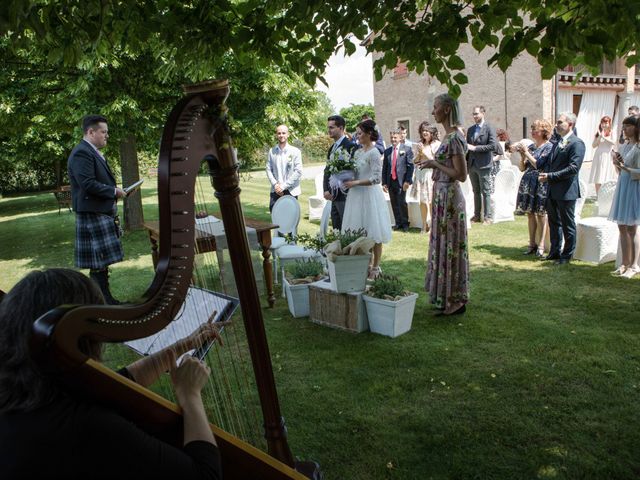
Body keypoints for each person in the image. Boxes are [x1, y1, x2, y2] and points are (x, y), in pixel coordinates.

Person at [0, 268, 223, 479]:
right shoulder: (87, 427)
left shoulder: (31, 398)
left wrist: (181, 346)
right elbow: (205, 475)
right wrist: (190, 394)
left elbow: (115, 384)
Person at [418, 94, 469, 316]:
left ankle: (455, 300)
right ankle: (445, 297)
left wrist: (434, 163)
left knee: (450, 248)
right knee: (443, 246)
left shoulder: (454, 138)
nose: (433, 112)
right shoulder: (450, 137)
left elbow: (461, 174)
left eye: (436, 107)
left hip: (449, 198)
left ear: (447, 109)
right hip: (442, 197)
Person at [68, 115, 126, 305]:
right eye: (103, 132)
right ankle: (102, 302)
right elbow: (87, 184)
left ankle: (102, 301)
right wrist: (113, 191)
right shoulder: (82, 153)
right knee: (98, 263)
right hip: (92, 214)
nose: (106, 136)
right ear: (90, 132)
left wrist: (115, 193)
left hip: (99, 212)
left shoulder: (91, 151)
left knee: (100, 264)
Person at [342, 119, 392, 279]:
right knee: (360, 231)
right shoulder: (357, 152)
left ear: (369, 134)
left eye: (360, 133)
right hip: (356, 196)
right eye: (356, 133)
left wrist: (355, 182)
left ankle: (376, 267)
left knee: (374, 232)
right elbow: (355, 172)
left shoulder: (374, 152)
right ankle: (365, 264)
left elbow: (376, 178)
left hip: (370, 196)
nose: (357, 136)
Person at [539, 112, 586, 265]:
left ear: (570, 124)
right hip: (552, 190)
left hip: (566, 190)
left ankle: (567, 255)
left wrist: (550, 176)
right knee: (554, 222)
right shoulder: (557, 142)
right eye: (557, 122)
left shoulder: (576, 143)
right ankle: (554, 251)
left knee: (567, 224)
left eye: (560, 122)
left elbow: (573, 168)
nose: (556, 125)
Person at [515, 120, 554, 257]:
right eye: (532, 129)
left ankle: (542, 245)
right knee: (530, 214)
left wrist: (526, 152)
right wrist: (522, 156)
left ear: (543, 131)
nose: (532, 131)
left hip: (541, 182)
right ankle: (532, 244)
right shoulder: (531, 146)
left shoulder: (549, 147)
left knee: (541, 214)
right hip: (528, 182)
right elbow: (522, 168)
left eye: (535, 129)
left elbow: (538, 164)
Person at [609, 115, 640, 279]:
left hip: (634, 188)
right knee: (621, 226)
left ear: (636, 127)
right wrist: (617, 163)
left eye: (628, 126)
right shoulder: (626, 146)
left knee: (632, 227)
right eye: (623, 126)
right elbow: (621, 170)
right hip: (623, 185)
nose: (625, 129)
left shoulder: (638, 146)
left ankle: (634, 265)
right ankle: (624, 263)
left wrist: (625, 168)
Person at [323, 115, 357, 230]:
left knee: (347, 227)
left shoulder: (351, 146)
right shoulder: (332, 147)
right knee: (336, 228)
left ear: (341, 128)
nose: (329, 130)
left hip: (345, 194)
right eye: (328, 127)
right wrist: (326, 189)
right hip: (332, 195)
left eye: (332, 127)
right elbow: (327, 170)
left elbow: (354, 171)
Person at [466, 105, 498, 224]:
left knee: (486, 191)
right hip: (472, 164)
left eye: (476, 114)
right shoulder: (470, 130)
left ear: (483, 113)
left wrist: (475, 148)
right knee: (475, 191)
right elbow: (467, 147)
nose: (474, 116)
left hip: (484, 164)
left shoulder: (489, 127)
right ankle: (476, 215)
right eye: (473, 114)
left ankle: (487, 217)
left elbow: (493, 146)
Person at [409, 122, 440, 233]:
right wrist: (419, 153)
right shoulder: (420, 144)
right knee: (422, 201)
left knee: (431, 200)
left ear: (432, 132)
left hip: (431, 174)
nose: (425, 132)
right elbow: (415, 160)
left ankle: (432, 225)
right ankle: (423, 225)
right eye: (423, 130)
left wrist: (423, 152)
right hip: (420, 173)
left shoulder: (437, 144)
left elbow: (435, 160)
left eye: (427, 130)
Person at [382, 129, 414, 232]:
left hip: (402, 180)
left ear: (400, 138)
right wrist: (384, 183)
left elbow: (410, 167)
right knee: (394, 202)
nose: (393, 139)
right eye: (391, 137)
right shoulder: (387, 151)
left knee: (401, 202)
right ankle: (398, 223)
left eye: (395, 137)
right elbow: (385, 168)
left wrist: (407, 181)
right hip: (391, 180)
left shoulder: (407, 149)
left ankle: (405, 224)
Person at [265, 124, 303, 212]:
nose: (281, 135)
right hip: (276, 190)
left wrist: (283, 186)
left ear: (288, 134)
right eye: (279, 133)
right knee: (275, 219)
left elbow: (298, 171)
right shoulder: (272, 151)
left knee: (289, 221)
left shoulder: (295, 151)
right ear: (276, 135)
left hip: (291, 191)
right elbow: (268, 169)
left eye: (283, 133)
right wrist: (275, 185)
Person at [588, 115, 617, 196]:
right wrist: (600, 136)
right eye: (602, 123)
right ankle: (598, 196)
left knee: (607, 175)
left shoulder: (612, 132)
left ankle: (608, 195)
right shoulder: (598, 133)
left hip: (608, 155)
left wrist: (604, 137)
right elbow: (593, 145)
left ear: (609, 123)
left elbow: (613, 142)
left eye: (606, 123)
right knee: (598, 176)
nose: (604, 125)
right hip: (599, 155)